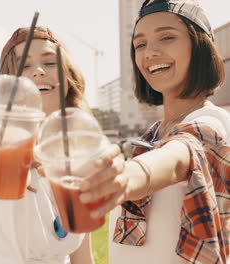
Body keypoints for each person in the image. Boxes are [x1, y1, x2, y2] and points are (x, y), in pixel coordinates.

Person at [77, 0, 230, 263]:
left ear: (200, 45)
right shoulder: (152, 136)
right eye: (140, 44)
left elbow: (179, 155)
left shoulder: (212, 125)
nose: (149, 52)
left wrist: (129, 175)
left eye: (167, 37)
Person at [0, 26, 124, 264]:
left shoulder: (77, 154)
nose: (39, 71)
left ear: (68, 76)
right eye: (25, 66)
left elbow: (82, 255)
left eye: (50, 63)